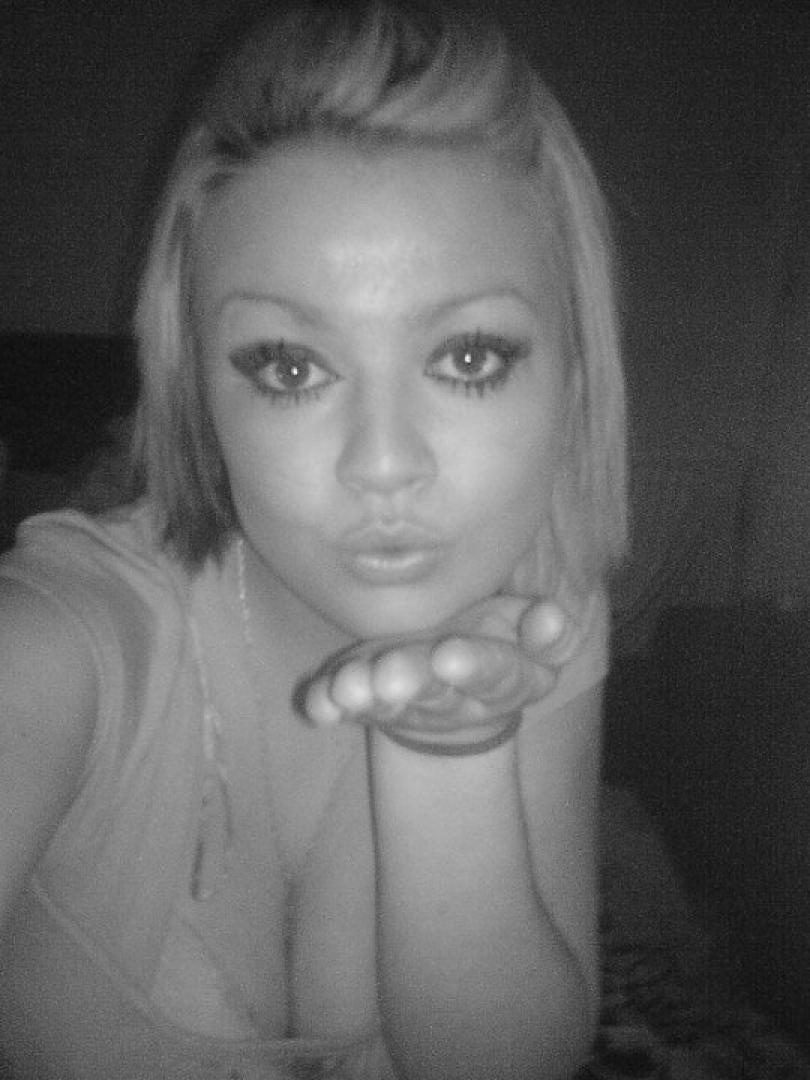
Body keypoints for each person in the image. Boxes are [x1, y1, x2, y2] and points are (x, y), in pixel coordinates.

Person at [0, 0, 626, 1076]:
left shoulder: (540, 609)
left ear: (573, 376)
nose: (382, 463)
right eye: (290, 367)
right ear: (198, 390)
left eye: (469, 357)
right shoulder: (57, 642)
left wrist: (451, 750)